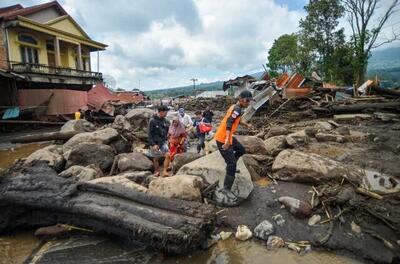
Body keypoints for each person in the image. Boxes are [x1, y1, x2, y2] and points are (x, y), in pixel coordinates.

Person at [214, 90, 253, 196]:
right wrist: (227, 140)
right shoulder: (236, 108)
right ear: (241, 99)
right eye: (247, 100)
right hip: (223, 139)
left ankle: (231, 167)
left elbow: (237, 120)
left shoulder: (237, 108)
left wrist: (246, 125)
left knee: (241, 150)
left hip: (228, 137)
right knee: (231, 163)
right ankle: (226, 189)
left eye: (249, 101)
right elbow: (229, 122)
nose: (248, 103)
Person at [148, 105, 170, 177]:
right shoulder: (152, 121)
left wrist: (167, 138)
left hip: (163, 142)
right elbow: (150, 134)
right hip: (155, 143)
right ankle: (156, 171)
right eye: (166, 112)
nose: (167, 113)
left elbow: (166, 131)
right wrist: (153, 144)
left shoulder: (164, 120)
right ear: (161, 112)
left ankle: (164, 171)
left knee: (168, 155)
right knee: (156, 158)